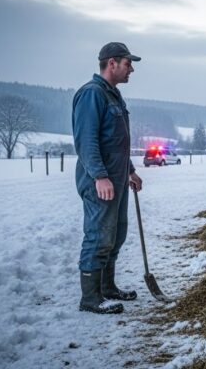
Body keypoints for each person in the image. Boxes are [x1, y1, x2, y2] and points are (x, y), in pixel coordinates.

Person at [72, 42, 144, 314]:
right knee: (99, 235)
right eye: (128, 63)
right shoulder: (92, 94)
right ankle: (90, 298)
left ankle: (108, 287)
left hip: (117, 178)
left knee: (116, 234)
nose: (131, 69)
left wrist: (129, 170)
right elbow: (86, 141)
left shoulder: (113, 95)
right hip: (99, 182)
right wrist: (100, 176)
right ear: (111, 63)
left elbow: (117, 141)